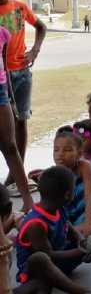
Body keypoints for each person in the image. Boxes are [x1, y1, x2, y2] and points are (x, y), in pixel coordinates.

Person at [0, 0, 46, 203]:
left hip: (21, 73)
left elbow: (41, 26)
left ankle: (14, 174)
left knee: (21, 121)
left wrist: (34, 51)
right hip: (1, 78)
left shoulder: (19, 8)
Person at [15, 166, 91, 294]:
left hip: (58, 259)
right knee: (40, 259)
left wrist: (82, 241)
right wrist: (80, 251)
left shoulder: (58, 207)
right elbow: (49, 255)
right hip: (36, 272)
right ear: (68, 195)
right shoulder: (35, 224)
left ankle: (58, 278)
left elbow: (70, 229)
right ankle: (80, 291)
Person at [0, 14, 33, 211]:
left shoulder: (3, 33)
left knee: (10, 147)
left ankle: (28, 202)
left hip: (1, 92)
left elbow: (5, 68)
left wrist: (11, 99)